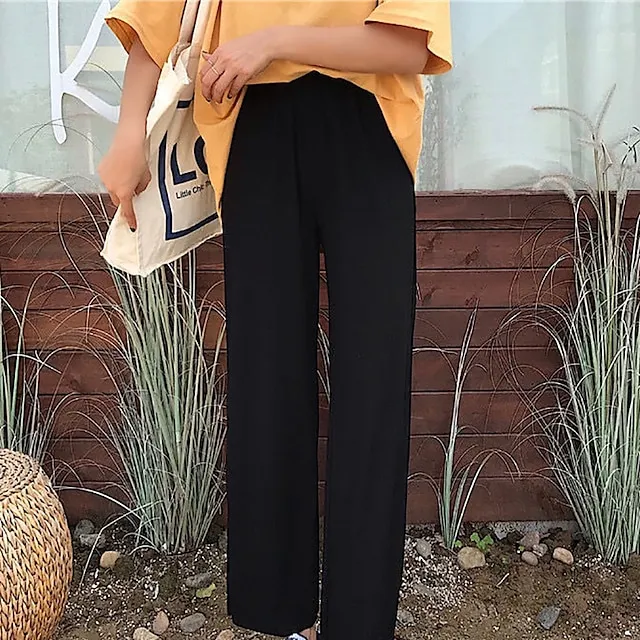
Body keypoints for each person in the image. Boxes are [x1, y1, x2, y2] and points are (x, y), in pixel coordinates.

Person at [99, 1, 452, 639]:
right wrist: (129, 132)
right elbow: (156, 19)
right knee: (265, 381)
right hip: (253, 128)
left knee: (373, 385)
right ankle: (279, 618)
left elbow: (408, 45)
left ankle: (360, 626)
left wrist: (272, 42)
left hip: (367, 125)